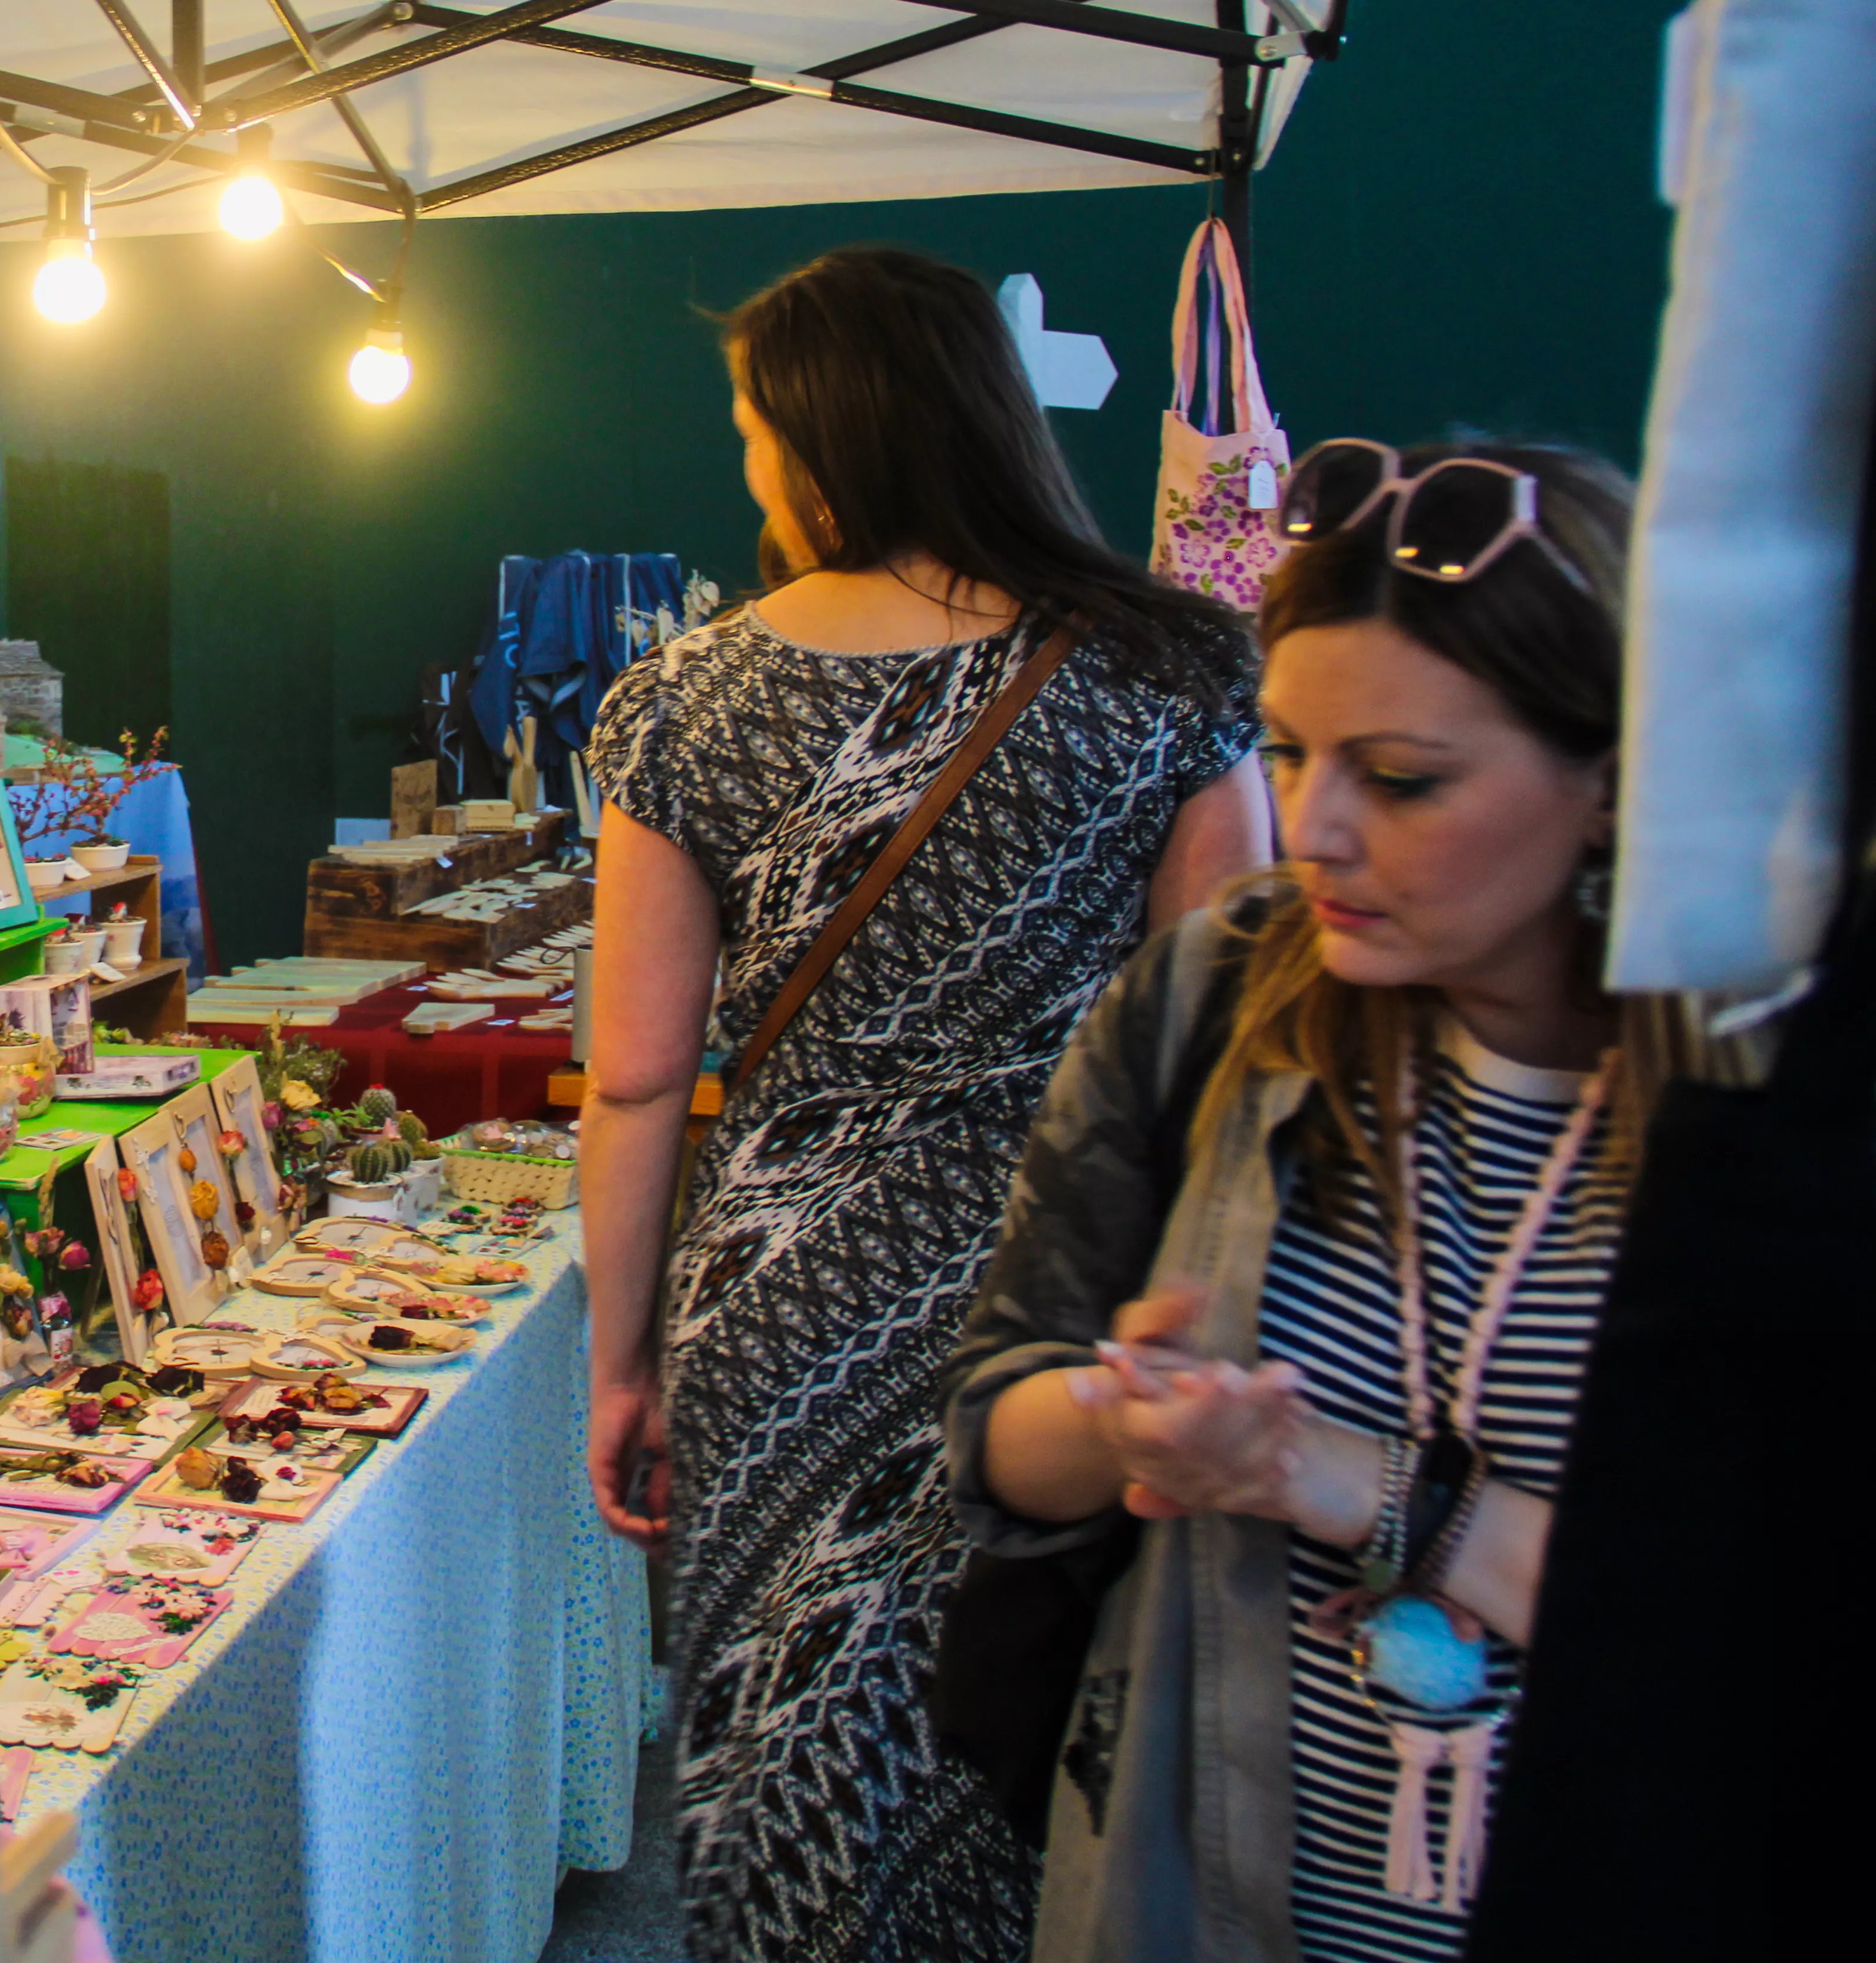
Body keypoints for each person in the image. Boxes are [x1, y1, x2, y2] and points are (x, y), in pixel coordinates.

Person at [580, 246, 1271, 1961]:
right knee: (1022, 1717)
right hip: (1059, 1291)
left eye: (753, 430)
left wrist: (619, 1358)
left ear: (818, 442)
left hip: (779, 1295)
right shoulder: (1175, 677)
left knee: (788, 1730)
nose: (751, 470)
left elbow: (640, 1071)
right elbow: (1219, 1048)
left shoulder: (683, 701)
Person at [944, 442, 1643, 1961]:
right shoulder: (1215, 991)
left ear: (1614, 777)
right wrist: (1120, 1419)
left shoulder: (1783, 1106)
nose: (1314, 830)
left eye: (1400, 778)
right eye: (1285, 751)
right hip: (1212, 1888)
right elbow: (999, 1422)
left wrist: (1366, 1489)